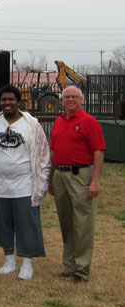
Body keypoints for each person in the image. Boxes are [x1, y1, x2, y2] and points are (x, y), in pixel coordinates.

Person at [0, 85, 50, 280]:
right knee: (2, 223)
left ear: (19, 102)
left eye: (11, 99)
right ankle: (9, 261)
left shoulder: (32, 125)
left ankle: (27, 264)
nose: (7, 103)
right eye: (3, 100)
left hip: (24, 185)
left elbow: (43, 154)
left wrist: (42, 181)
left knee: (27, 224)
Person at [48, 86, 105, 283]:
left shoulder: (89, 122)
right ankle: (68, 265)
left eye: (74, 97)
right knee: (66, 223)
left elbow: (98, 152)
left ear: (81, 100)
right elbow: (53, 152)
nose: (70, 100)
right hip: (61, 175)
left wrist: (95, 181)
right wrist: (51, 178)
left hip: (81, 175)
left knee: (82, 224)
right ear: (61, 101)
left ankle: (81, 270)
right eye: (67, 97)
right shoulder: (58, 121)